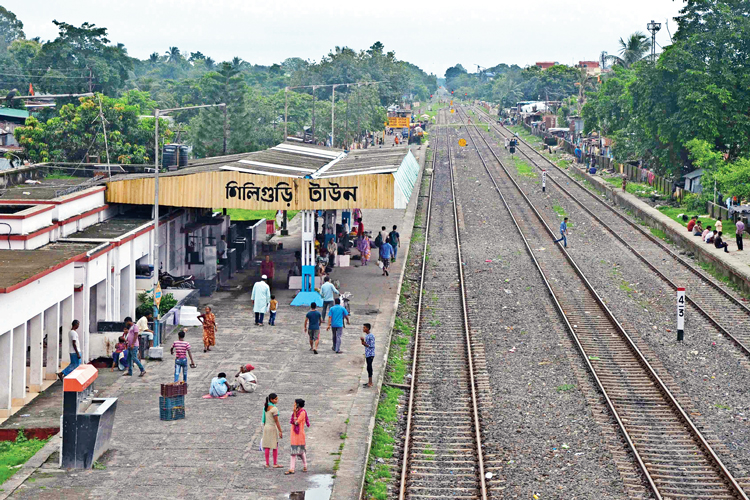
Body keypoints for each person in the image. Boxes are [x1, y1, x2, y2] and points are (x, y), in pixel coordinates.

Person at [286, 399, 310, 475]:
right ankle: (304, 465)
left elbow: (296, 422)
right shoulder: (297, 412)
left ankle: (292, 468)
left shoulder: (302, 413)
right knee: (299, 451)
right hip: (295, 434)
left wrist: (294, 413)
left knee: (297, 452)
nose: (294, 406)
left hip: (298, 434)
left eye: (295, 404)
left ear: (298, 405)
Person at [262, 393, 283, 468]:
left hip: (266, 427)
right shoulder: (274, 409)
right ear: (271, 399)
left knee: (267, 446)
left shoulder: (265, 407)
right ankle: (275, 463)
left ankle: (267, 463)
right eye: (275, 399)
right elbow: (276, 421)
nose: (277, 400)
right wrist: (280, 430)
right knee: (274, 446)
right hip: (272, 427)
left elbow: (264, 419)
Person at [360, 323, 375, 388]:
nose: (363, 329)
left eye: (364, 328)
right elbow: (366, 344)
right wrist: (363, 341)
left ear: (368, 328)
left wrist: (364, 343)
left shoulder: (371, 336)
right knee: (368, 367)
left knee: (369, 367)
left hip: (370, 354)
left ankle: (370, 382)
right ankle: (369, 381)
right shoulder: (367, 335)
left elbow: (371, 345)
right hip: (367, 354)